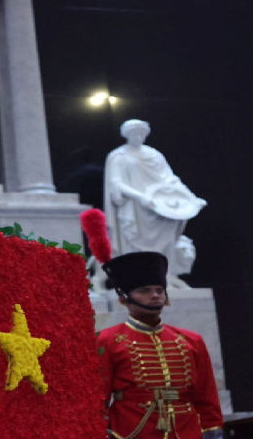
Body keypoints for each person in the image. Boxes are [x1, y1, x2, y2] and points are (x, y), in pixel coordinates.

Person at [98, 252, 224, 439]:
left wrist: (212, 428)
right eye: (145, 291)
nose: (155, 296)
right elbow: (98, 396)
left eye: (159, 290)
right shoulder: (106, 340)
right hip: (132, 431)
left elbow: (206, 394)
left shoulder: (191, 340)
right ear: (124, 298)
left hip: (187, 431)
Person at [104, 119, 206, 286]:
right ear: (127, 135)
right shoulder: (119, 156)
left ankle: (164, 276)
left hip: (160, 209)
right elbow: (116, 183)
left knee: (166, 243)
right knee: (135, 243)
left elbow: (171, 180)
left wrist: (191, 198)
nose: (139, 137)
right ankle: (138, 279)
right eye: (135, 134)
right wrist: (141, 197)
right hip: (135, 208)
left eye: (142, 134)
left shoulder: (154, 155)